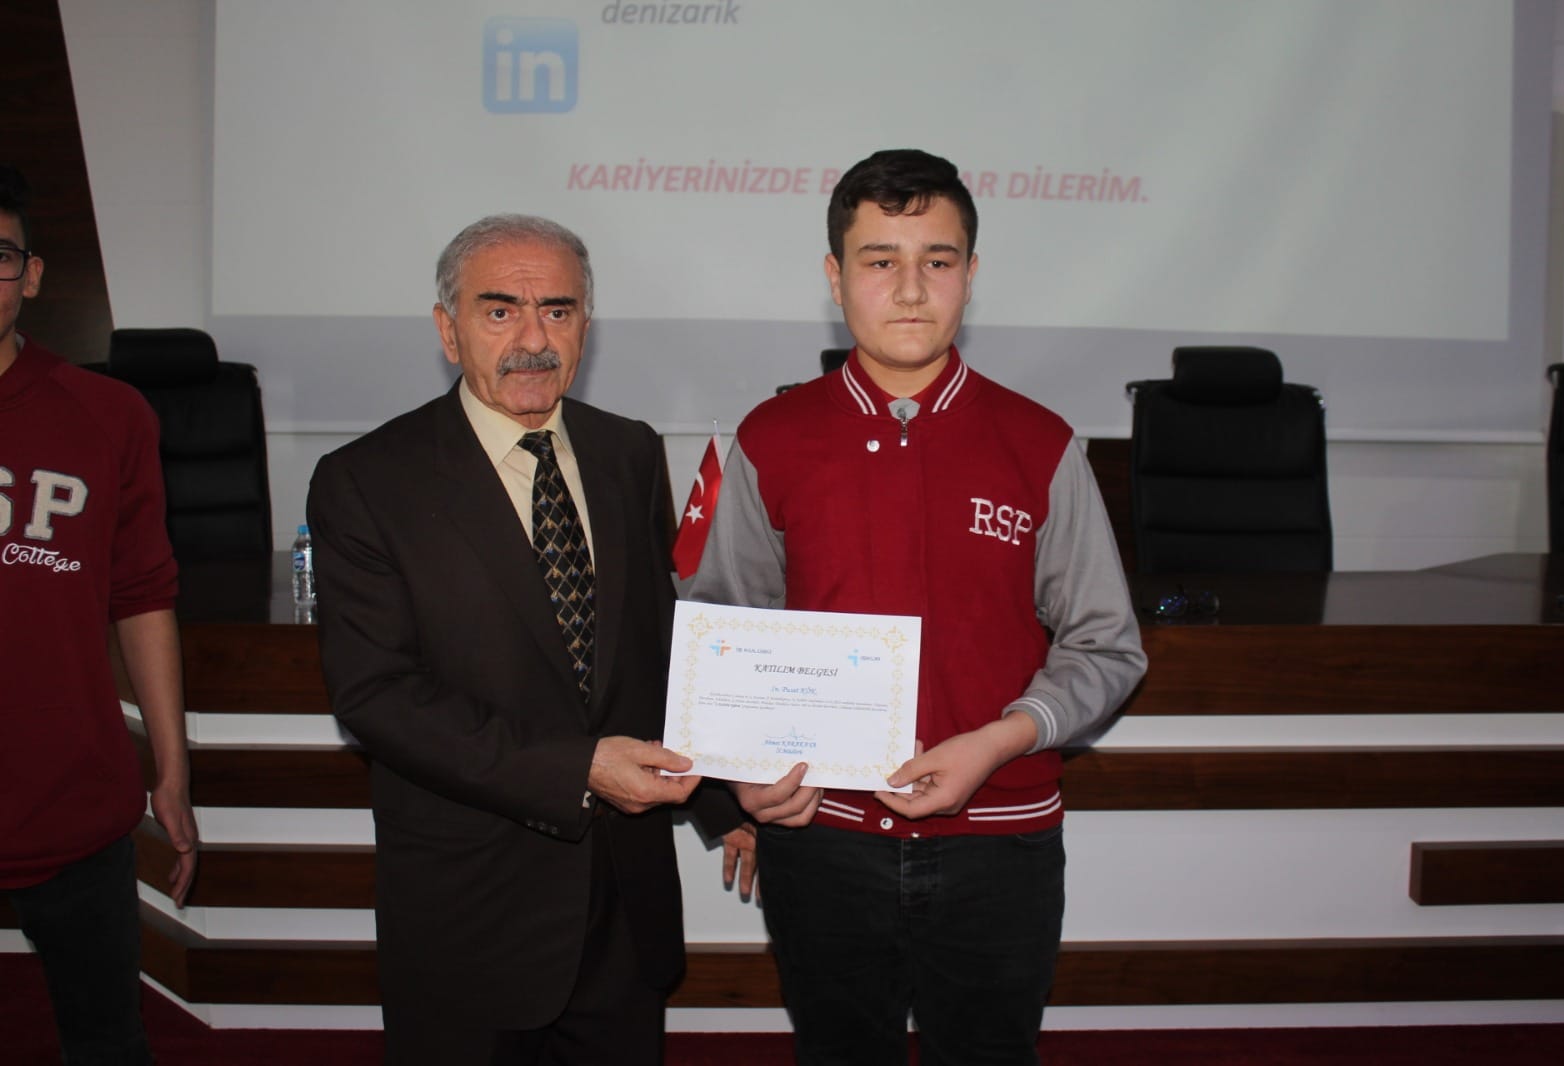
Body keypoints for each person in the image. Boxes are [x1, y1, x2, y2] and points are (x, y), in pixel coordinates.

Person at [690, 149, 1148, 1065]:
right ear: (835, 278)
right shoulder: (771, 439)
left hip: (1000, 841)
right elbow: (721, 632)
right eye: (879, 260)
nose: (909, 288)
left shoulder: (1041, 443)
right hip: (823, 838)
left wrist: (1000, 739)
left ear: (970, 276)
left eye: (936, 260)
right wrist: (738, 780)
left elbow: (1107, 646)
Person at [307, 213, 753, 1065]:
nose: (534, 339)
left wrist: (722, 802)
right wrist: (577, 769)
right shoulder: (368, 480)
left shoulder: (628, 451)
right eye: (500, 311)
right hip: (471, 911)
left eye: (557, 310)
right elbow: (376, 698)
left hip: (622, 907)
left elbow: (652, 650)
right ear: (449, 331)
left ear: (587, 324)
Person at [0, 164, 198, 1063]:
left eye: (0, 256)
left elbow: (143, 595)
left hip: (71, 792)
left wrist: (172, 767)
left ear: (33, 274)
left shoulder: (107, 414)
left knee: (106, 1042)